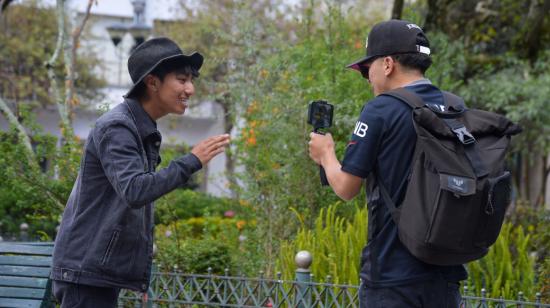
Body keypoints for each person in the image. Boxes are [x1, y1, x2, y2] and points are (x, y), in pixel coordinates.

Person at [51, 37, 230, 307]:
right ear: (152, 82)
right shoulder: (118, 127)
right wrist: (192, 160)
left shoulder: (140, 127)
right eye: (182, 80)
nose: (190, 89)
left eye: (191, 80)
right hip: (84, 273)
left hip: (94, 272)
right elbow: (136, 190)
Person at [308, 20, 467, 308]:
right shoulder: (455, 107)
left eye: (367, 70)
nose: (368, 79)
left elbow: (346, 188)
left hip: (393, 275)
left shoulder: (381, 109)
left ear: (388, 64)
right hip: (445, 274)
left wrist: (326, 153)